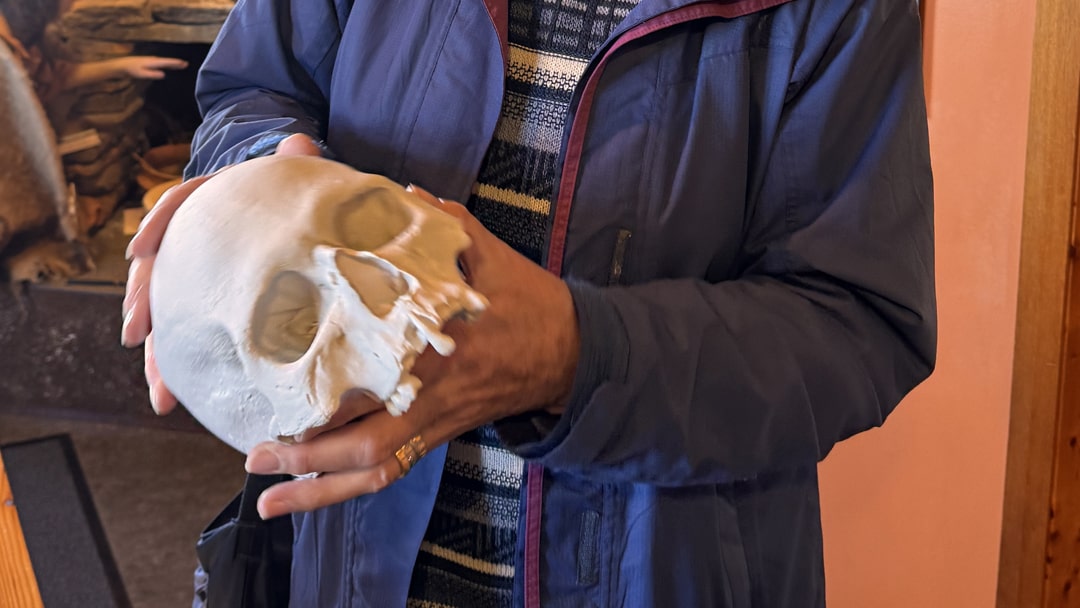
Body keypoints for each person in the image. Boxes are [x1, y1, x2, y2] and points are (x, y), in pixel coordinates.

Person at [122, 0, 936, 606]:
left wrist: (578, 358)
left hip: (667, 574)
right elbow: (253, 90)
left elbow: (857, 325)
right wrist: (259, 183)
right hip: (348, 568)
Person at [0, 0, 187, 111]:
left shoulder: (27, 42)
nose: (73, 6)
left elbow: (58, 77)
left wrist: (125, 66)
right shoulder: (8, 51)